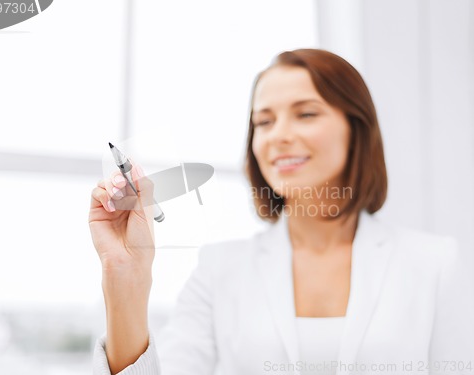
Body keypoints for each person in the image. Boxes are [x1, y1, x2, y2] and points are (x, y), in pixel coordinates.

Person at [89, 49, 474, 375]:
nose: (279, 136)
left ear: (356, 129)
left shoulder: (435, 263)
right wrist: (125, 276)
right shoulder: (220, 269)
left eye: (306, 114)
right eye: (264, 122)